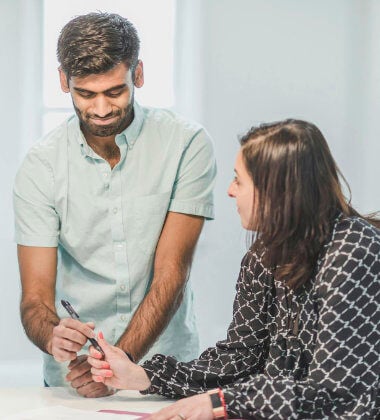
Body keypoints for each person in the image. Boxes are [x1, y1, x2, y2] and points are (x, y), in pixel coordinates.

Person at [87, 119, 380, 419]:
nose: (229, 191)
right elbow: (241, 356)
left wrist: (222, 402)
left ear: (276, 190)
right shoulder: (263, 254)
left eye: (239, 180)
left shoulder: (354, 251)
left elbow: (333, 392)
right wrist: (142, 376)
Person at [13, 12, 216, 397]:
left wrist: (115, 364)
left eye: (115, 91)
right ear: (63, 81)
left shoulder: (186, 145)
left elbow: (172, 272)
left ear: (137, 74)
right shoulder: (40, 166)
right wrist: (52, 335)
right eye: (85, 94)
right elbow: (36, 299)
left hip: (164, 371)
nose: (102, 109)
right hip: (74, 382)